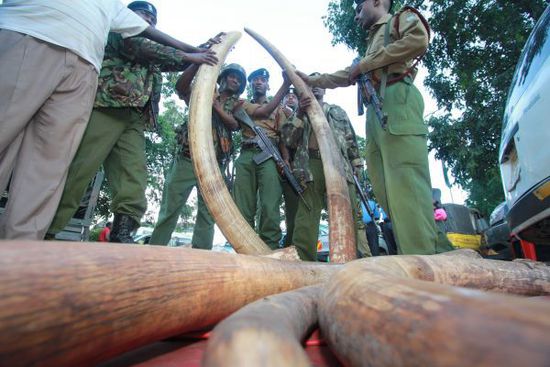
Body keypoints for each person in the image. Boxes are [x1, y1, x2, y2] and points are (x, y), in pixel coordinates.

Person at [0, 0, 218, 240]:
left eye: (152, 19)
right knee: (77, 170)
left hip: (134, 117)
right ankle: (49, 229)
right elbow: (144, 47)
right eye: (143, 15)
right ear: (129, 17)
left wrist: (204, 49)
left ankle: (122, 231)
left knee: (134, 176)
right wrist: (192, 53)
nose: (148, 21)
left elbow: (175, 60)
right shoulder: (118, 33)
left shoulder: (148, 47)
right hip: (105, 107)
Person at [298, 0, 445, 255]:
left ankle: (429, 261)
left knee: (406, 183)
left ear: (377, 1)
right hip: (375, 111)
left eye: (358, 8)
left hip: (398, 99)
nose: (356, 17)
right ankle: (421, 256)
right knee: (385, 188)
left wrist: (366, 64)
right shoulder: (373, 41)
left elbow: (418, 40)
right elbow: (348, 74)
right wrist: (311, 80)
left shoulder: (399, 19)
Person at [149, 63, 244, 249]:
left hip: (215, 165)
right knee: (170, 208)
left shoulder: (238, 104)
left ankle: (203, 257)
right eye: (232, 76)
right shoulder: (203, 89)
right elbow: (181, 87)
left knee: (208, 215)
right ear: (222, 78)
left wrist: (216, 106)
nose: (235, 80)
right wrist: (197, 61)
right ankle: (153, 251)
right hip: (187, 159)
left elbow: (234, 125)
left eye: (239, 79)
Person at [281, 78, 368, 261]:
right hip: (311, 166)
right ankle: (304, 265)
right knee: (306, 217)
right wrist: (299, 113)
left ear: (325, 89)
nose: (315, 88)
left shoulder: (337, 111)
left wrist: (357, 166)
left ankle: (351, 262)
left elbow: (351, 140)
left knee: (348, 214)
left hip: (339, 166)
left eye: (318, 84)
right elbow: (288, 140)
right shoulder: (300, 112)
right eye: (311, 85)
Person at [232, 68, 293, 249]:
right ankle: (244, 247)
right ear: (251, 85)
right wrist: (286, 84)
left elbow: (282, 136)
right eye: (254, 80)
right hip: (246, 154)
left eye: (261, 80)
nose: (258, 82)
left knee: (270, 205)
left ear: (267, 84)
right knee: (243, 206)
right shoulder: (241, 104)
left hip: (269, 155)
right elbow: (263, 112)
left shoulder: (280, 110)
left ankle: (270, 248)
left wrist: (286, 160)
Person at [280, 88, 300, 247]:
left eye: (294, 97)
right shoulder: (276, 113)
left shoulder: (303, 116)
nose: (291, 98)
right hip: (275, 166)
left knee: (296, 213)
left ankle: (292, 246)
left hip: (296, 170)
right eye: (288, 96)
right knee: (268, 209)